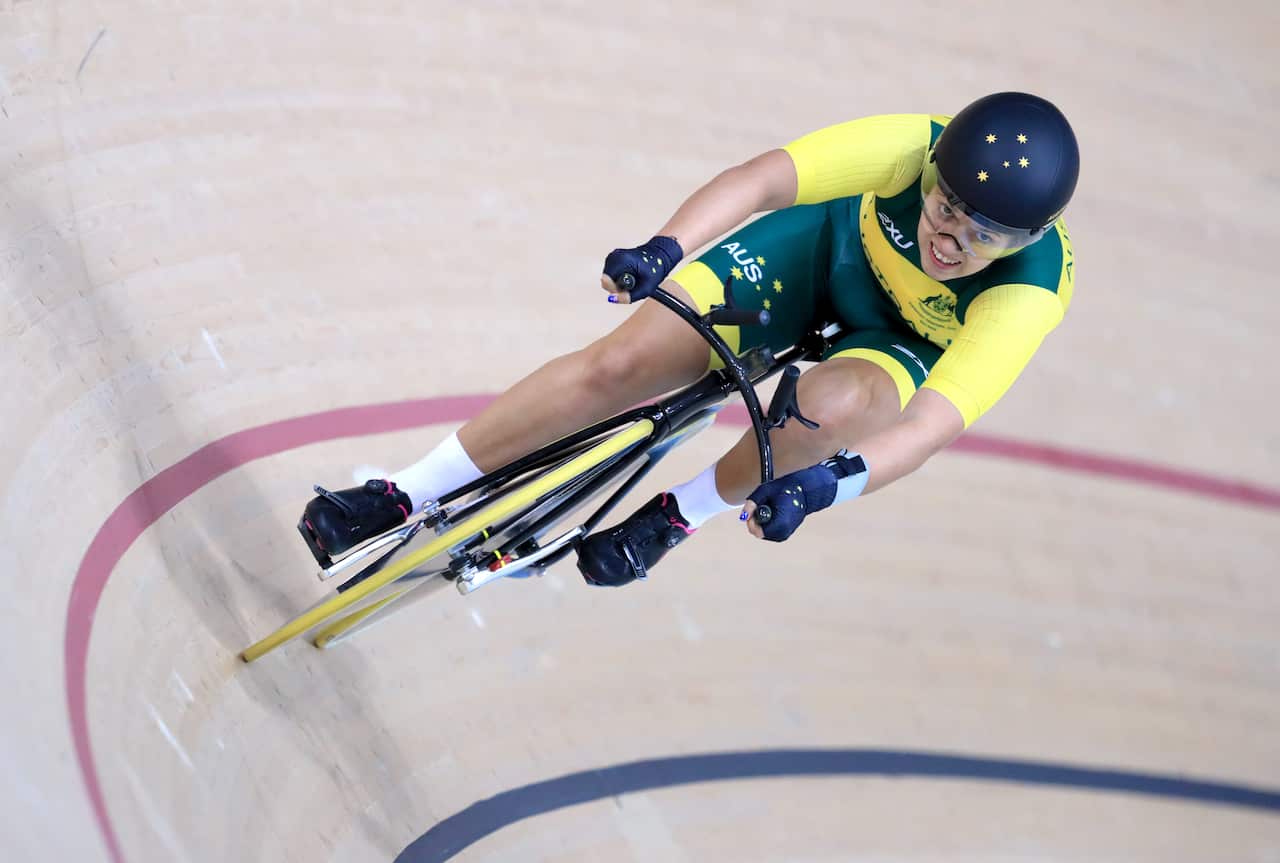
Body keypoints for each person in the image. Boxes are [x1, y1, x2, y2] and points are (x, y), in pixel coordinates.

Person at [298, 91, 1079, 586]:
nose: (951, 241)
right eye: (944, 208)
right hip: (814, 262)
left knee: (828, 412)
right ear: (934, 167)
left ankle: (680, 513)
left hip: (897, 344)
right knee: (626, 360)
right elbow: (761, 181)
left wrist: (820, 486)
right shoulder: (911, 143)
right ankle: (406, 491)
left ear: (1031, 235)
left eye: (985, 237)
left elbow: (927, 427)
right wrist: (661, 250)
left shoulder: (1027, 293)